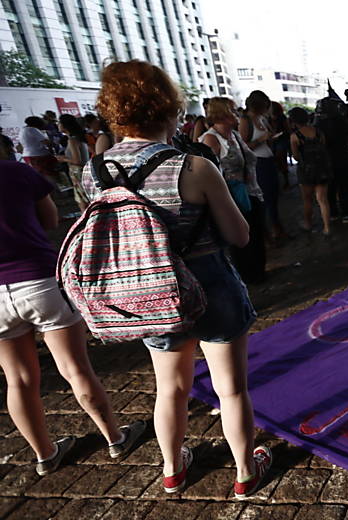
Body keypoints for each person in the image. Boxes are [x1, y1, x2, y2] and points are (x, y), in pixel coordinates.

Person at [83, 60, 271, 496]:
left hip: (149, 293)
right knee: (232, 390)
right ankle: (245, 472)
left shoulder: (94, 172)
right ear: (170, 107)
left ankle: (172, 469)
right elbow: (239, 236)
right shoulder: (193, 167)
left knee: (170, 388)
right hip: (211, 286)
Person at [0, 134, 146, 476]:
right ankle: (114, 438)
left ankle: (44, 454)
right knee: (75, 368)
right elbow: (50, 221)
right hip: (39, 280)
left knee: (18, 380)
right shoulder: (19, 173)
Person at [200, 97, 267, 284]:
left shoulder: (235, 135)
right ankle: (248, 276)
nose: (238, 114)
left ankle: (258, 273)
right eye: (233, 111)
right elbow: (210, 173)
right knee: (241, 241)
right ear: (222, 114)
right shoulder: (211, 139)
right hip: (231, 198)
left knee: (256, 235)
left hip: (250, 192)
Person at [240, 90, 285, 240]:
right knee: (265, 198)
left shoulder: (262, 119)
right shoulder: (246, 121)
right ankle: (268, 232)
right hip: (257, 163)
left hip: (268, 160)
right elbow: (243, 146)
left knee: (274, 195)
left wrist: (270, 136)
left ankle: (277, 228)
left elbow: (269, 135)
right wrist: (260, 140)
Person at [288, 107, 332, 236]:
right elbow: (323, 148)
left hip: (305, 170)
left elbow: (295, 157)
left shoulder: (295, 136)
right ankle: (327, 227)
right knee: (323, 199)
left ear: (293, 121)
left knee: (307, 199)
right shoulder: (319, 132)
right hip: (322, 168)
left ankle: (308, 224)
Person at [56, 114, 91, 211]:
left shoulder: (72, 140)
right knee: (84, 199)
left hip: (78, 172)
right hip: (82, 171)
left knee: (82, 201)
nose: (58, 125)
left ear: (64, 125)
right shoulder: (78, 137)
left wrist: (63, 159)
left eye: (59, 122)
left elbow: (77, 160)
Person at [19, 117, 58, 181]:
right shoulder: (33, 129)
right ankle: (54, 190)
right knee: (48, 176)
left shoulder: (23, 130)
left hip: (28, 155)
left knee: (39, 176)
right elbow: (46, 142)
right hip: (39, 156)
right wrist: (54, 143)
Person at [269, 101, 290, 190]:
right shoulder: (267, 118)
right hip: (272, 141)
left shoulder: (282, 118)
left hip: (281, 140)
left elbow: (287, 130)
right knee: (275, 160)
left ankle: (286, 180)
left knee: (281, 158)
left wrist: (280, 134)